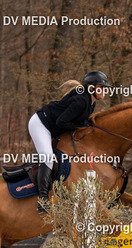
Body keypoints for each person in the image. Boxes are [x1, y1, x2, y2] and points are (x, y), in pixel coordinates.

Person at [29, 70, 110, 213]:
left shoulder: (91, 102)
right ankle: (43, 201)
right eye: (101, 88)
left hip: (52, 126)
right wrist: (81, 128)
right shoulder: (81, 101)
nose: (104, 91)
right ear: (91, 88)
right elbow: (61, 122)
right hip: (41, 124)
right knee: (48, 157)